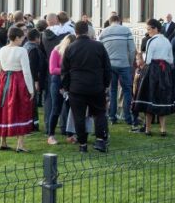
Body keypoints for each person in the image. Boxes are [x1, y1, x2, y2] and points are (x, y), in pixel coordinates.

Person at [62, 21, 112, 153]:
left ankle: (82, 144)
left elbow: (65, 71)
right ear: (88, 31)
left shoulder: (70, 48)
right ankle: (101, 140)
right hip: (96, 86)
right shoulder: (98, 46)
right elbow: (107, 68)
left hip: (76, 87)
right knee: (99, 113)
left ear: (75, 32)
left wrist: (67, 87)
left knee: (78, 116)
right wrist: (106, 84)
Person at [0, 26, 34, 151]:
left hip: (3, 81)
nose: (22, 40)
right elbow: (26, 72)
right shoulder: (21, 51)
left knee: (3, 109)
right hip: (17, 81)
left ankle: (3, 142)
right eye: (21, 38)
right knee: (20, 109)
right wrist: (31, 89)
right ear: (17, 38)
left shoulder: (1, 50)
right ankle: (20, 144)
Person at [134, 19, 175, 135]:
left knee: (149, 98)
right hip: (165, 71)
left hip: (152, 71)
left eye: (148, 29)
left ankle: (148, 129)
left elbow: (147, 60)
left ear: (155, 29)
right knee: (162, 98)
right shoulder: (167, 41)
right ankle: (163, 129)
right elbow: (171, 59)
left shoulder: (151, 41)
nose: (148, 32)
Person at [98, 15, 136, 128]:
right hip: (124, 64)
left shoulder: (104, 32)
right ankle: (127, 117)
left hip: (110, 65)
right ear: (119, 21)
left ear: (110, 22)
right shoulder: (126, 30)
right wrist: (129, 63)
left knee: (112, 91)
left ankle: (112, 116)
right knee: (127, 90)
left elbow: (99, 50)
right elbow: (132, 49)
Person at [46, 34, 74, 145]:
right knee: (56, 109)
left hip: (69, 82)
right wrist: (66, 70)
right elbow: (52, 69)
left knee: (69, 109)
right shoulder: (56, 51)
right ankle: (51, 135)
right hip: (57, 82)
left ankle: (70, 134)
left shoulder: (71, 52)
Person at [24, 27, 48, 131]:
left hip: (27, 78)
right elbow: (33, 67)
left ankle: (29, 123)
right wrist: (36, 81)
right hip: (32, 79)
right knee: (32, 103)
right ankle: (33, 124)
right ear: (37, 38)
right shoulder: (33, 49)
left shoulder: (25, 46)